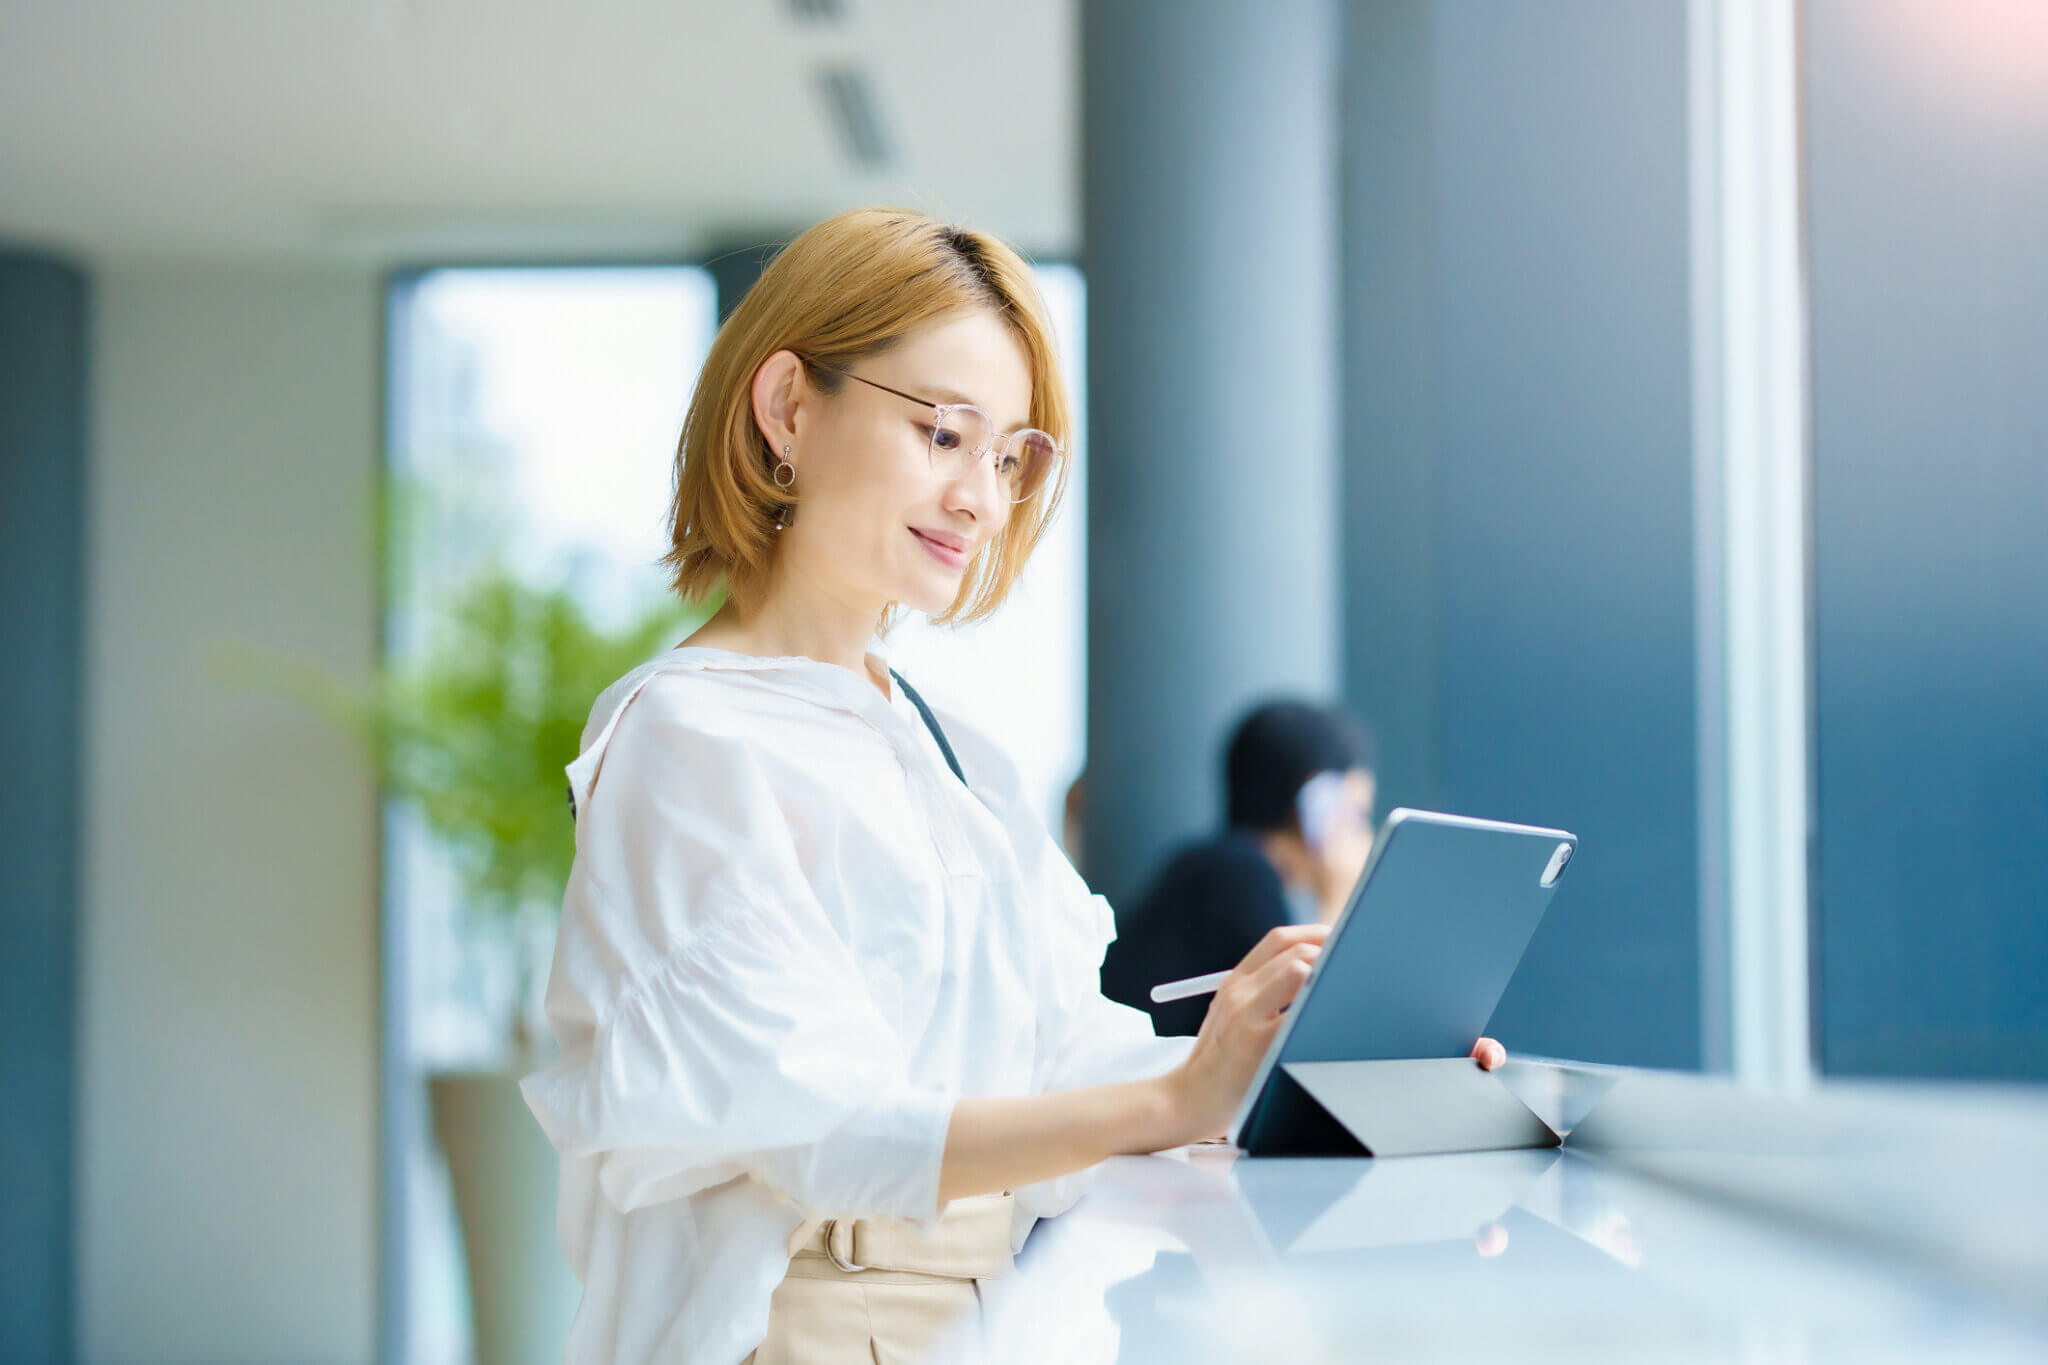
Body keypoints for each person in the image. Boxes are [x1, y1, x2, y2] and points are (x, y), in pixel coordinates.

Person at [519, 207, 1505, 1365]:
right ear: (788, 407)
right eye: (944, 434)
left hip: (987, 1318)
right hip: (806, 1327)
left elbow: (1064, 1062)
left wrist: (1292, 1066)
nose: (981, 501)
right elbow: (821, 1130)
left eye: (1007, 457)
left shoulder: (951, 753)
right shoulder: (684, 740)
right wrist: (1174, 1098)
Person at [1100, 701, 1380, 1036]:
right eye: (1357, 813)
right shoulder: (1240, 874)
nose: (1365, 834)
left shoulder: (1216, 865)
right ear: (1314, 803)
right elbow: (1303, 1035)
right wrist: (1340, 895)